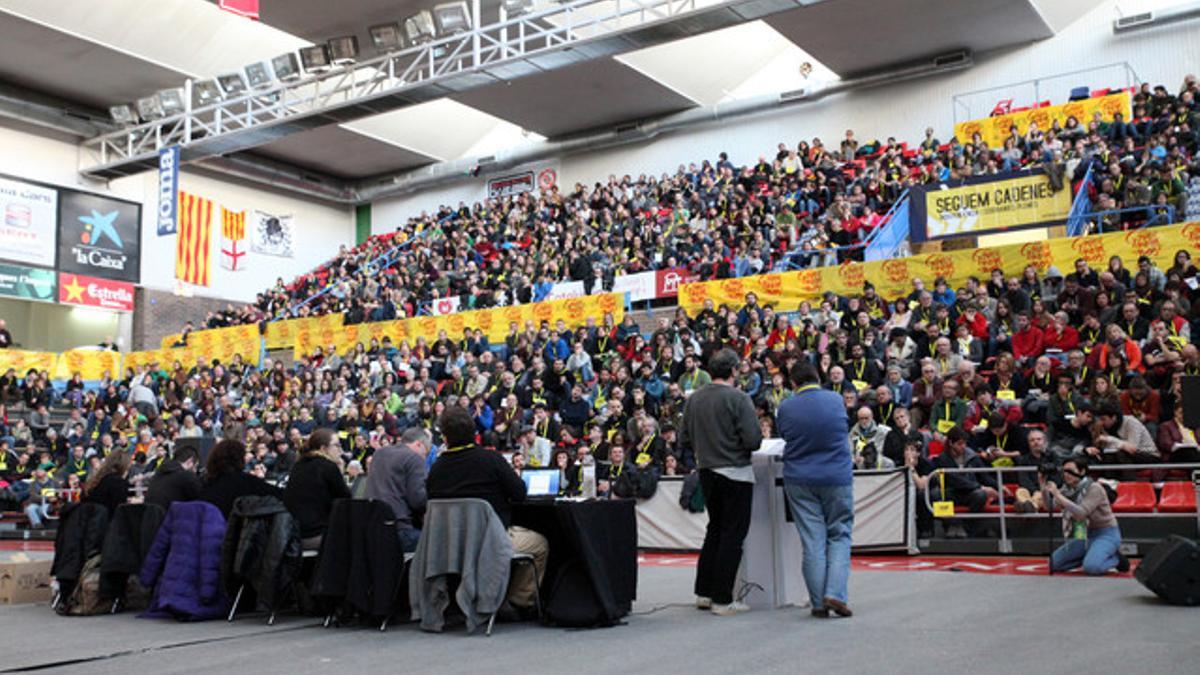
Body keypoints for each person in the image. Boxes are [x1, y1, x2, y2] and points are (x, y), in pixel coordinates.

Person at [426, 406, 548, 613]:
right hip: (490, 539)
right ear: (474, 432)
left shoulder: (437, 468)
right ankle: (516, 601)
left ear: (445, 437)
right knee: (539, 544)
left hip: (450, 544)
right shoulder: (491, 459)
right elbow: (519, 493)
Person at [679, 348, 763, 616]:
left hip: (706, 470)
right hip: (735, 472)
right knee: (732, 535)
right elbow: (753, 440)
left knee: (715, 530)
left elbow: (684, 439)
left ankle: (703, 593)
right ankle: (723, 599)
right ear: (734, 371)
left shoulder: (693, 400)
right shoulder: (738, 398)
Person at [776, 362, 855, 618]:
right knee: (840, 535)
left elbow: (784, 435)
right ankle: (835, 593)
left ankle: (818, 603)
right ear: (818, 378)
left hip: (799, 478)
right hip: (836, 476)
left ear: (794, 383)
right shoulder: (835, 399)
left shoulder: (786, 406)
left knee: (812, 541)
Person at [1043, 455, 1129, 575]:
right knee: (1054, 564)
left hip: (1105, 532)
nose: (1066, 475)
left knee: (1092, 568)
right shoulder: (1067, 490)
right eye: (1064, 471)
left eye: (1070, 471)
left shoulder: (1095, 488)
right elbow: (1048, 507)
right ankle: (1090, 555)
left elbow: (1081, 513)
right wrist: (1043, 485)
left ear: (1082, 471)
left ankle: (1116, 559)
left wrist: (1058, 495)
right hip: (1081, 531)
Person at [283, 428, 351, 550]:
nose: (341, 451)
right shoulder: (327, 466)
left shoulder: (299, 464)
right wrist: (340, 470)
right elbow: (345, 501)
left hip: (292, 533)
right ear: (323, 448)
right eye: (337, 445)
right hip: (313, 535)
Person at [365, 426, 431, 552]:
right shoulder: (414, 458)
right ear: (419, 444)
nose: (425, 458)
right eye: (425, 453)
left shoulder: (379, 453)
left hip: (371, 526)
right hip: (399, 529)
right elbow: (417, 501)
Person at [200, 438, 281, 518]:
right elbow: (280, 495)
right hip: (235, 529)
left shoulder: (205, 481)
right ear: (240, 458)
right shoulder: (246, 481)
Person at [145, 444, 203, 510]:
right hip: (170, 517)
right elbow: (201, 499)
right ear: (190, 461)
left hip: (150, 517)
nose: (195, 471)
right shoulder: (186, 476)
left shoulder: (160, 472)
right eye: (195, 467)